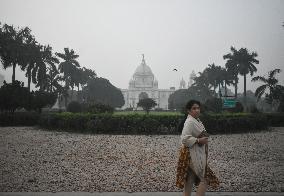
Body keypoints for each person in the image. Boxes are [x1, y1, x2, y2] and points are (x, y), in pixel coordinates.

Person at [180, 100, 209, 196]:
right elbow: (184, 138)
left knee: (190, 179)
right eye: (194, 108)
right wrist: (198, 140)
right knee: (204, 180)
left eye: (198, 108)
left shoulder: (196, 120)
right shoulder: (190, 122)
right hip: (193, 154)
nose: (197, 110)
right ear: (189, 110)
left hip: (193, 153)